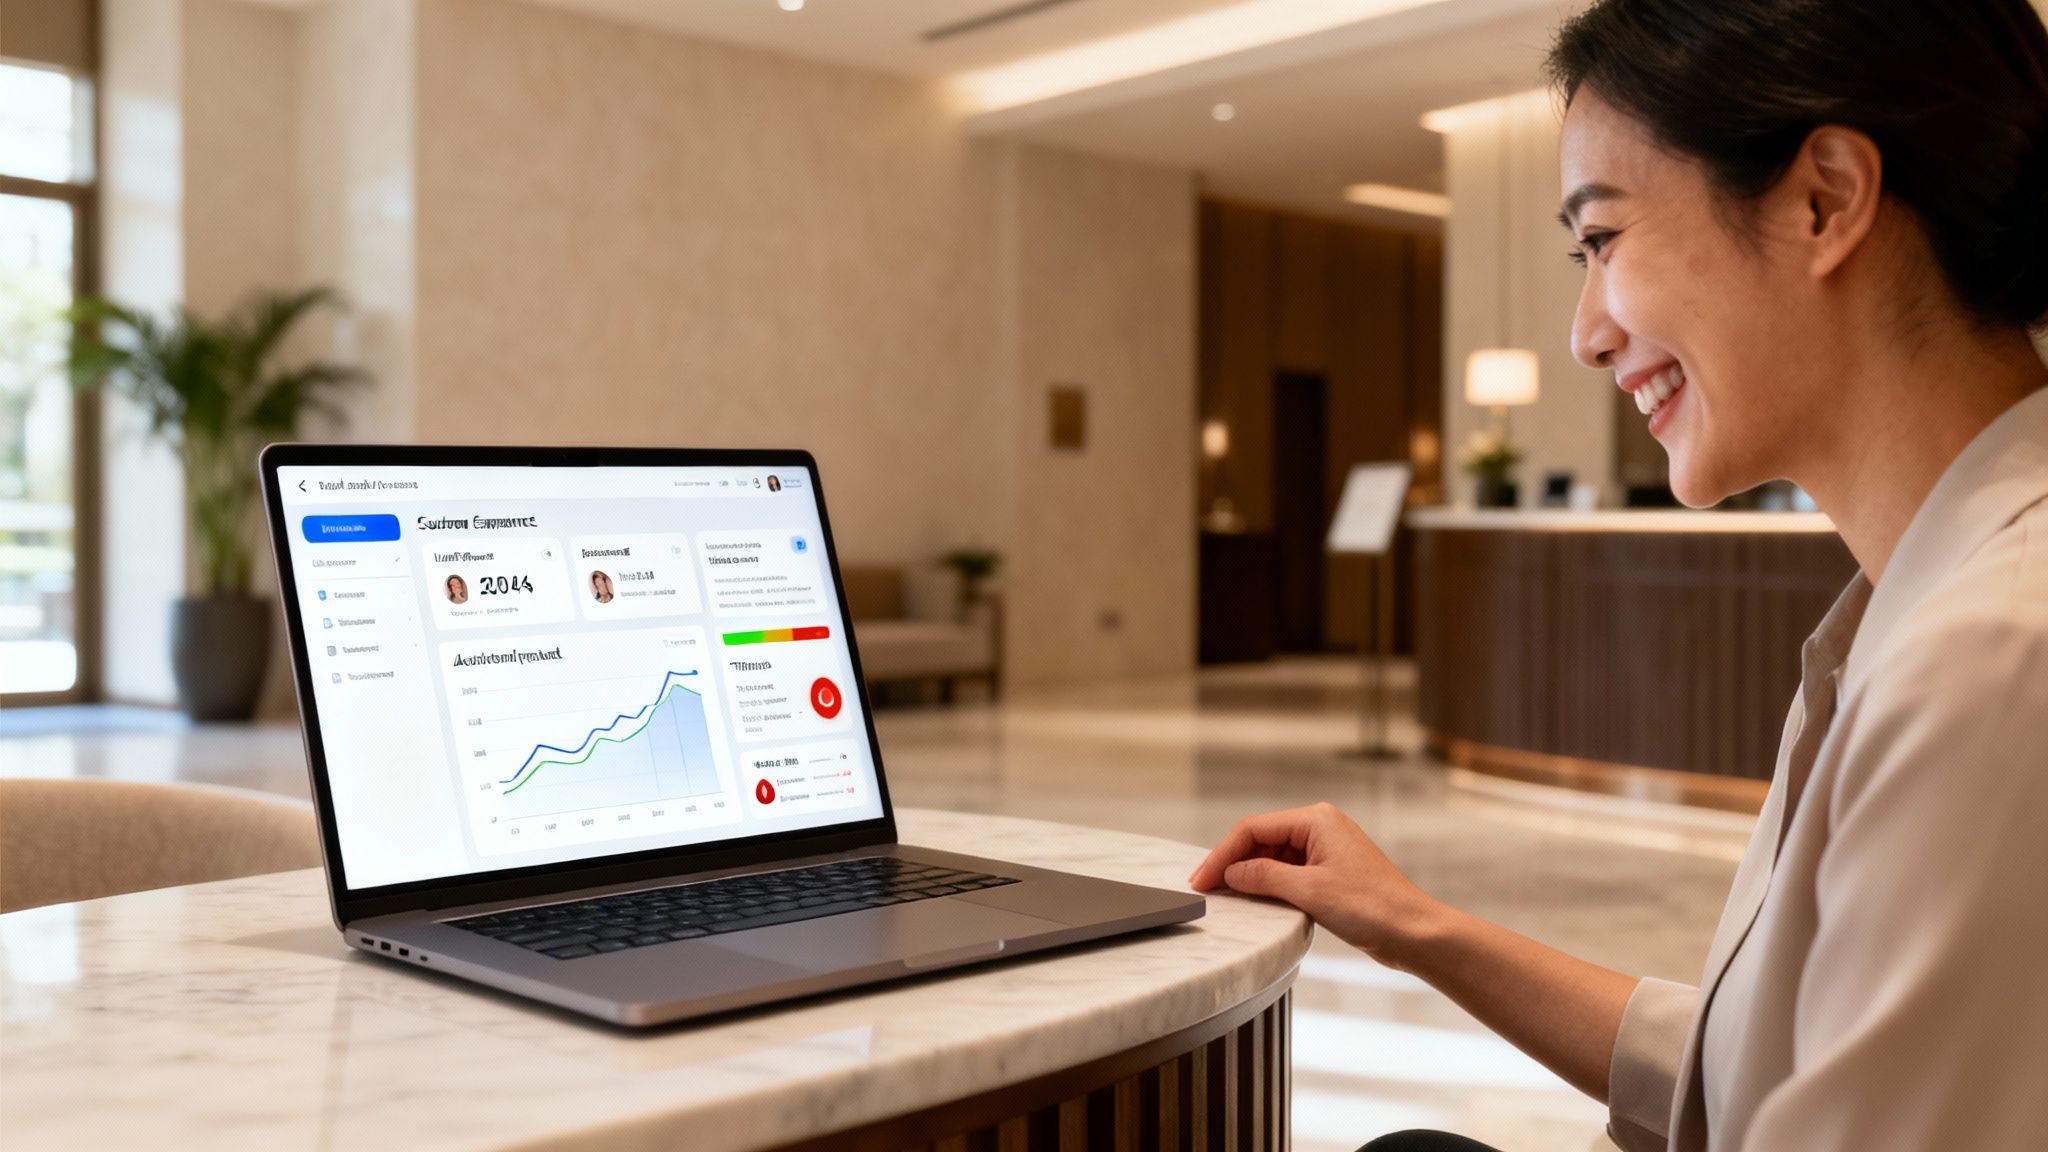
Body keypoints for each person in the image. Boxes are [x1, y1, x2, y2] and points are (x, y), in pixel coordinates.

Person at [1192, 2, 2048, 1150]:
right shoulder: (1918, 612)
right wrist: (1415, 927)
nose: (1584, 334)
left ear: (1822, 201)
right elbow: (1757, 1070)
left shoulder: (1991, 660)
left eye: (1601, 241)